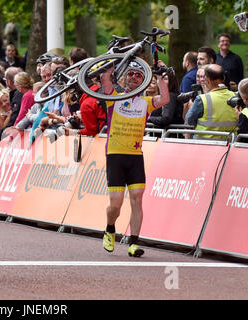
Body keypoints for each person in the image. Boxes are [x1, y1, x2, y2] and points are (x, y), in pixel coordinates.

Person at [99, 62, 170, 257]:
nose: (133, 77)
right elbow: (105, 78)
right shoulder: (113, 98)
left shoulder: (146, 102)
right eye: (130, 74)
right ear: (124, 78)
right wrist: (114, 62)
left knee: (137, 199)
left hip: (135, 156)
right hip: (115, 155)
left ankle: (134, 243)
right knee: (116, 204)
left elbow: (164, 98)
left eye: (138, 75)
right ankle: (110, 228)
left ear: (144, 81)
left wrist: (160, 77)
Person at [185, 64, 238, 140]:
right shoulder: (235, 96)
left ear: (207, 80)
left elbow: (189, 120)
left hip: (205, 146)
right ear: (224, 78)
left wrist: (191, 107)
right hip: (230, 146)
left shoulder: (202, 99)